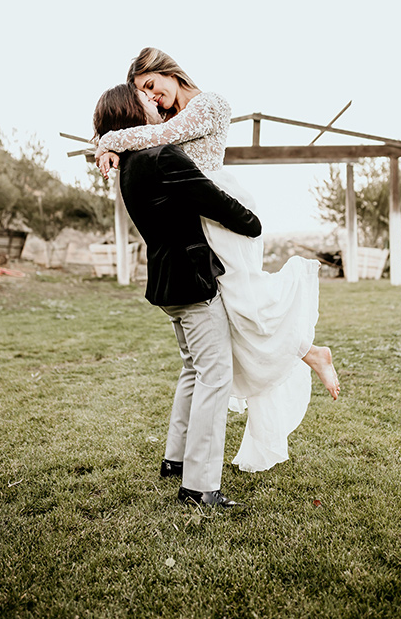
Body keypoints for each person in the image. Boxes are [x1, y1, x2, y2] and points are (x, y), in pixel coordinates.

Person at [95, 47, 340, 474]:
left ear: (167, 71)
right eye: (143, 96)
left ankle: (309, 351)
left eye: (152, 86)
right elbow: (150, 138)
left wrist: (107, 141)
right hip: (198, 217)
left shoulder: (209, 105)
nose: (152, 98)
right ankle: (309, 351)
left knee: (246, 301)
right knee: (238, 315)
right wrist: (112, 141)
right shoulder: (158, 137)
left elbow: (153, 139)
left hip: (217, 208)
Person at [93, 83, 262, 507]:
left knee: (193, 370)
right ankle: (200, 485)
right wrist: (252, 223)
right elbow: (214, 201)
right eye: (147, 99)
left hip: (167, 284)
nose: (156, 102)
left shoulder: (130, 166)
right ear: (132, 109)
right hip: (192, 281)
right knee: (215, 375)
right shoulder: (161, 156)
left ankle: (176, 459)